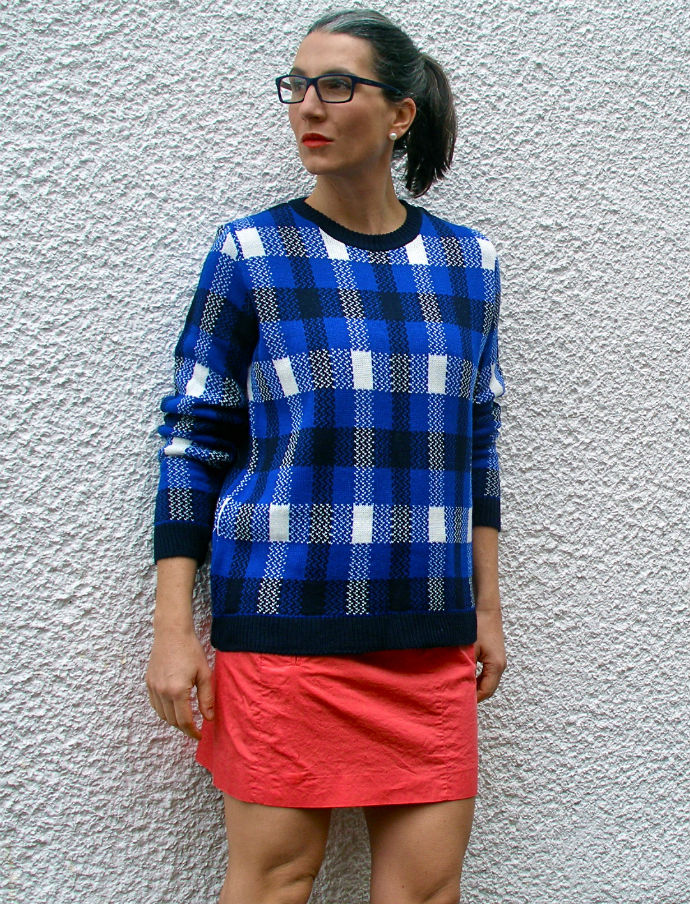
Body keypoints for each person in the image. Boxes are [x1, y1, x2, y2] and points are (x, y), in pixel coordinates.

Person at [146, 9, 507, 904]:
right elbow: (193, 439)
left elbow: (476, 446)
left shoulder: (469, 263)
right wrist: (174, 629)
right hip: (284, 628)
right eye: (297, 86)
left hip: (427, 634)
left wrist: (486, 611)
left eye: (336, 86)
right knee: (274, 880)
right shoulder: (251, 253)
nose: (308, 107)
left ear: (400, 114)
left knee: (426, 892)